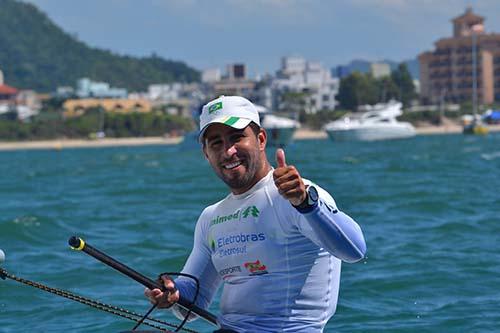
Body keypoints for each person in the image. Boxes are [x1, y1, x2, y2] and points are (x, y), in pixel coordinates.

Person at [145, 95, 366, 332]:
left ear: (261, 139)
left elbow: (354, 250)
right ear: (206, 154)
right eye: (216, 143)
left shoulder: (299, 194)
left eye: (237, 138)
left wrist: (306, 205)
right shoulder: (211, 217)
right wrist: (172, 294)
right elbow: (189, 303)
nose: (228, 151)